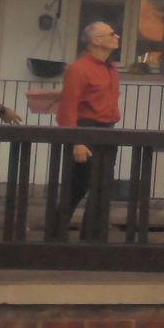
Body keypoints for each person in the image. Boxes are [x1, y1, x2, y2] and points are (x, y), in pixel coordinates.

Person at [57, 21, 122, 227]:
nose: (117, 37)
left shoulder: (111, 68)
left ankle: (92, 237)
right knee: (77, 187)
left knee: (103, 188)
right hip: (85, 130)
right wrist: (76, 141)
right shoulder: (79, 69)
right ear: (96, 40)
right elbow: (67, 107)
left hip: (107, 131)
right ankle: (55, 235)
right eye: (112, 33)